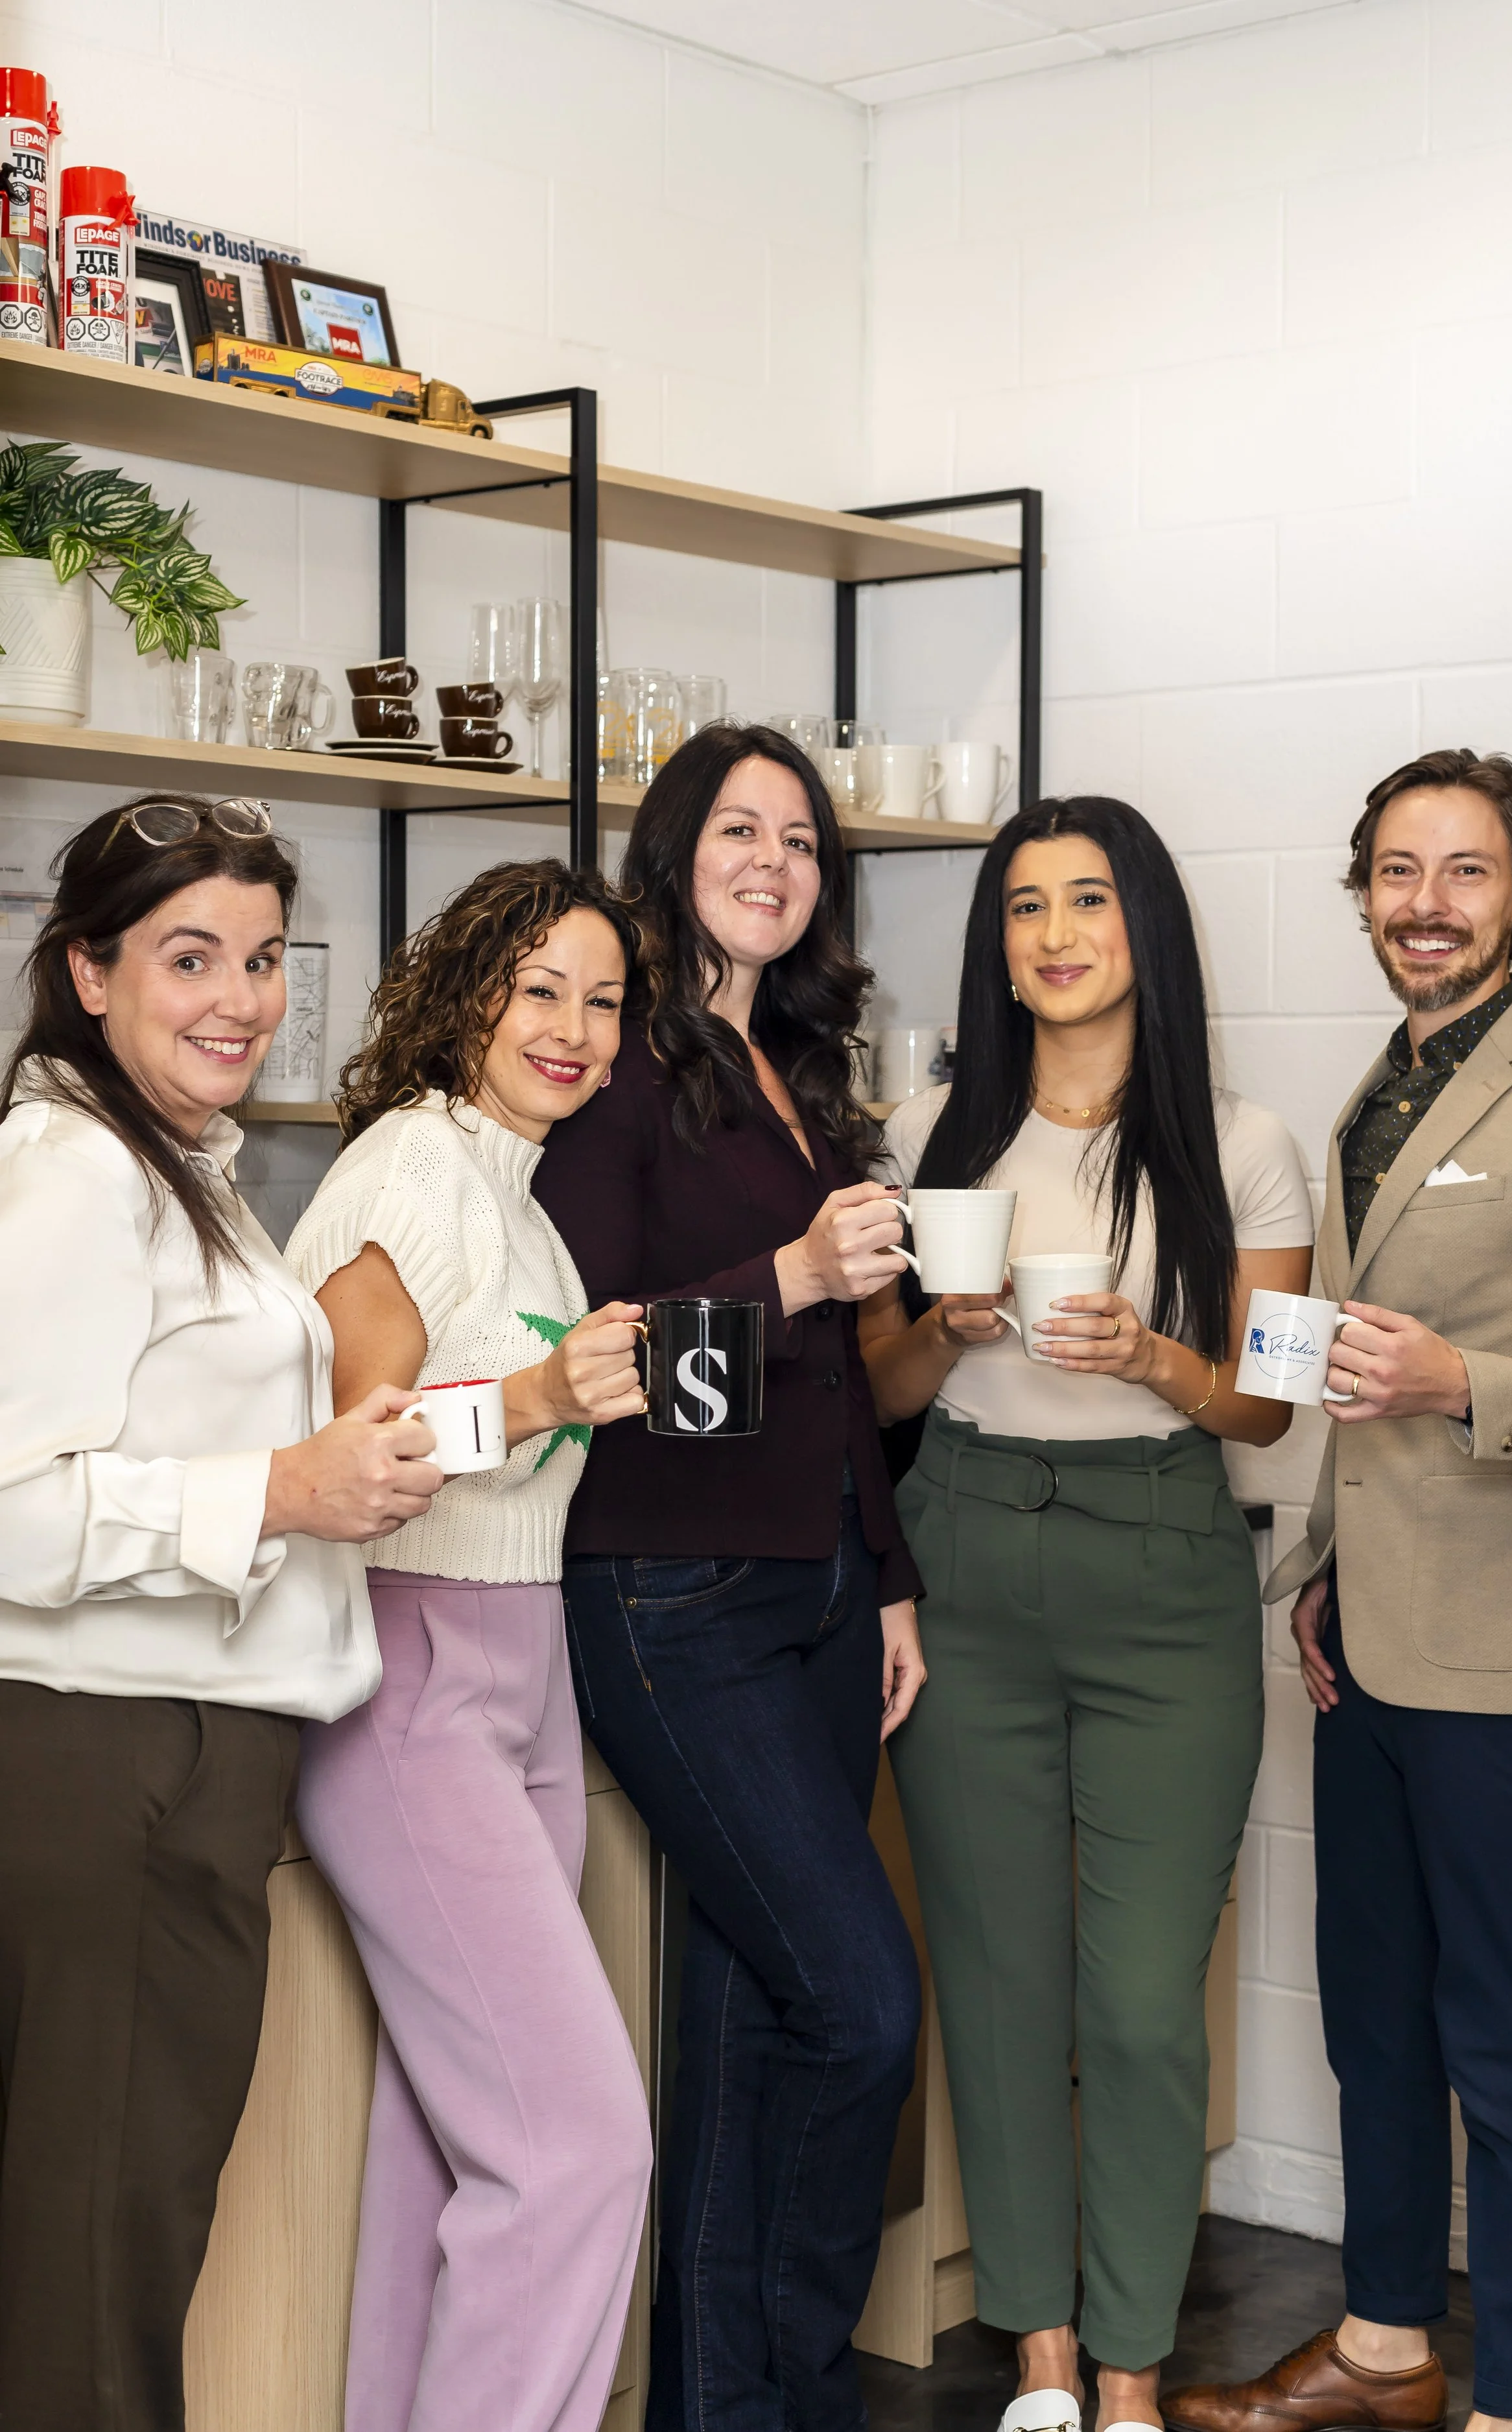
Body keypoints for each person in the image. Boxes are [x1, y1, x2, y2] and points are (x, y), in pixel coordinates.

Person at [1163, 750, 1512, 2432]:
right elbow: (1326, 1368)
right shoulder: (1376, 1092)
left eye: (1464, 872)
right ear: (1361, 892)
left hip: (1503, 1658)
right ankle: (1376, 2343)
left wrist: (1464, 1381)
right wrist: (1315, 1572)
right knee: (1372, 2013)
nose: (1424, 904)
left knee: (1504, 2043)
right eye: (1396, 872)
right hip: (1360, 1637)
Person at [860, 796, 1314, 2432]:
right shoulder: (930, 1133)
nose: (1053, 935)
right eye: (1024, 908)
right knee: (993, 1984)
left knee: (1134, 2004)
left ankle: (1133, 2367)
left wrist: (1154, 1365)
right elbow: (880, 1383)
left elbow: (1265, 1414)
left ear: (1145, 936)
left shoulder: (1241, 1142)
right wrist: (942, 1325)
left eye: (1089, 904)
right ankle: (1042, 2361)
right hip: (965, 1552)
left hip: (1161, 1575)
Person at [0, 794, 440, 2432]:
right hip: (108, 1764)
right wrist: (283, 1492)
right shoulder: (70, 1175)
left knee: (105, 2251)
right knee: (99, 2269)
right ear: (88, 972)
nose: (239, 1001)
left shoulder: (172, 1163)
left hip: (176, 1761)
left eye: (263, 960)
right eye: (190, 958)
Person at [531, 723, 927, 2432]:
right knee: (858, 2001)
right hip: (671, 1585)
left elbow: (840, 1374)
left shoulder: (801, 1067)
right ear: (674, 844)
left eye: (803, 836)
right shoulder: (613, 1069)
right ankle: (791, 2387)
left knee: (754, 2016)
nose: (774, 856)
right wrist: (788, 1262)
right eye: (739, 826)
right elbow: (601, 1355)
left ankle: (728, 2403)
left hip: (824, 1585)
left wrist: (887, 1573)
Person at [284, 861, 654, 2432]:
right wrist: (535, 1399)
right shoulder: (410, 1174)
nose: (572, 1029)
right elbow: (346, 1448)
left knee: (448, 2149)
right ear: (467, 990)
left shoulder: (513, 1189)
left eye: (604, 1001)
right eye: (540, 988)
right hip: (414, 1676)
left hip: (522, 1672)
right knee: (579, 2148)